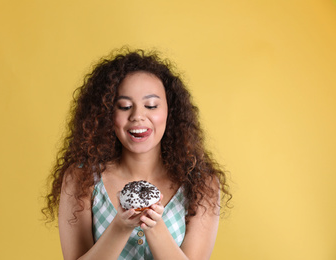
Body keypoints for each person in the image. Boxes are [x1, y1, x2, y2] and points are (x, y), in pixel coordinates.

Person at [42, 48, 231, 260]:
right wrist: (120, 227)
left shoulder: (202, 185)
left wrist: (154, 226)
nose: (138, 116)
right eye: (124, 107)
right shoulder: (80, 179)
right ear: (107, 113)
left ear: (170, 110)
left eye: (151, 105)